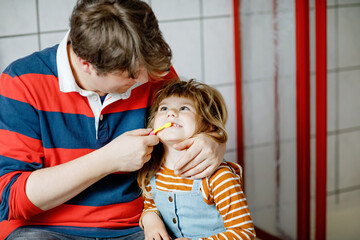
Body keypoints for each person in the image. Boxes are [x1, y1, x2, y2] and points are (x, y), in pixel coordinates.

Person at [0, 1, 225, 239]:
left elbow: (193, 131)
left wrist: (212, 142)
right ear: (86, 64)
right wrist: (108, 160)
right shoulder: (22, 82)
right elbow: (10, 198)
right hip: (44, 230)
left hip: (139, 227)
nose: (145, 77)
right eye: (131, 74)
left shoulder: (150, 69)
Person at [138, 79, 256, 240]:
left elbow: (244, 233)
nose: (170, 113)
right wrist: (149, 219)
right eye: (163, 108)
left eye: (184, 108)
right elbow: (152, 206)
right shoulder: (152, 171)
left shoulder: (219, 177)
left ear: (208, 125)